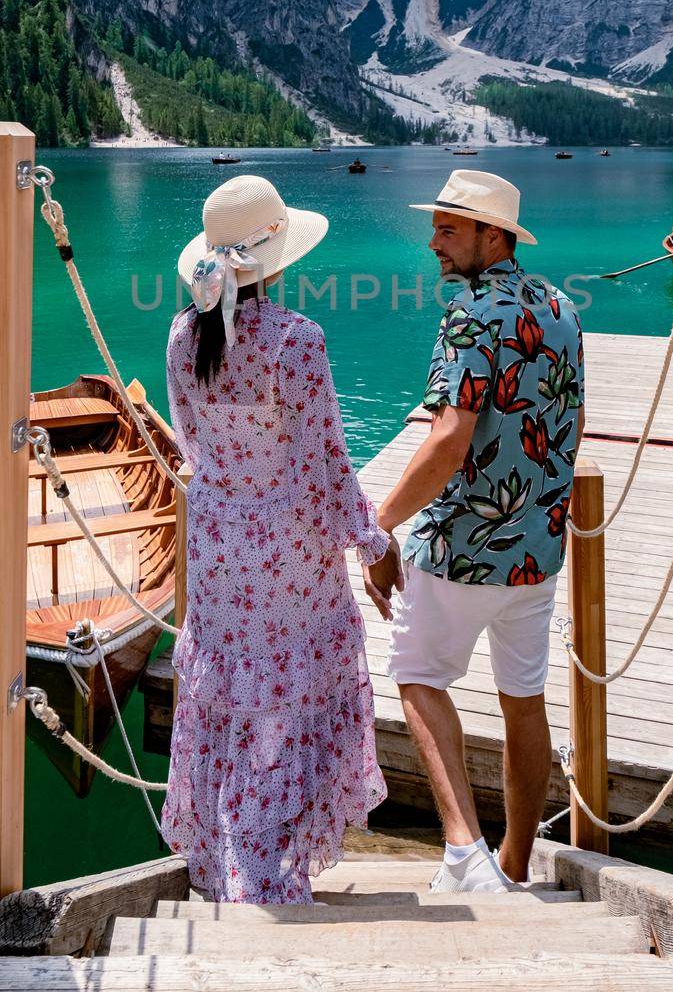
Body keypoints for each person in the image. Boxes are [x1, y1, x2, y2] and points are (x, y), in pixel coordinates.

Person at [162, 174, 400, 903]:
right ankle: (261, 871)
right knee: (286, 700)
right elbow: (325, 465)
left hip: (215, 555)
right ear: (279, 257)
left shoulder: (182, 335)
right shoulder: (297, 340)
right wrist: (375, 544)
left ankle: (231, 857)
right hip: (287, 558)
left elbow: (192, 448)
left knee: (232, 695)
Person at [373, 170, 584, 892]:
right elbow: (563, 419)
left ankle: (466, 855)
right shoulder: (560, 305)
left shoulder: (470, 315)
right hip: (538, 549)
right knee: (522, 698)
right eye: (434, 227)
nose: (433, 243)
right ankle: (514, 865)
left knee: (418, 678)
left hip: (463, 546)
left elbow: (447, 441)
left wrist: (378, 524)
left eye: (448, 230)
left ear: (491, 237)